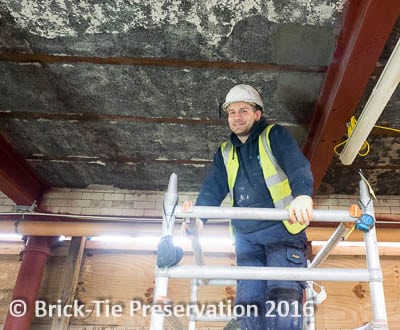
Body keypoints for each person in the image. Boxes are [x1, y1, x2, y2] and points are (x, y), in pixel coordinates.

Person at [186, 84, 314, 329]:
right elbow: (213, 188)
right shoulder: (225, 152)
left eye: (243, 110)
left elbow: (297, 165)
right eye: (232, 112)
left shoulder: (273, 135)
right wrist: (199, 218)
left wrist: (303, 196)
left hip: (282, 232)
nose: (236, 117)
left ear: (257, 114)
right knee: (248, 305)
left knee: (283, 300)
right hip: (246, 238)